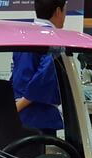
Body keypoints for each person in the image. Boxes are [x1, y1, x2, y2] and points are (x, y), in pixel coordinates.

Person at [10, 0, 67, 134]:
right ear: (58, 11)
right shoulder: (54, 39)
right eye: (65, 11)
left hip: (19, 115)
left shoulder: (23, 36)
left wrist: (13, 108)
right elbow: (44, 78)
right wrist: (20, 105)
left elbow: (16, 74)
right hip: (39, 117)